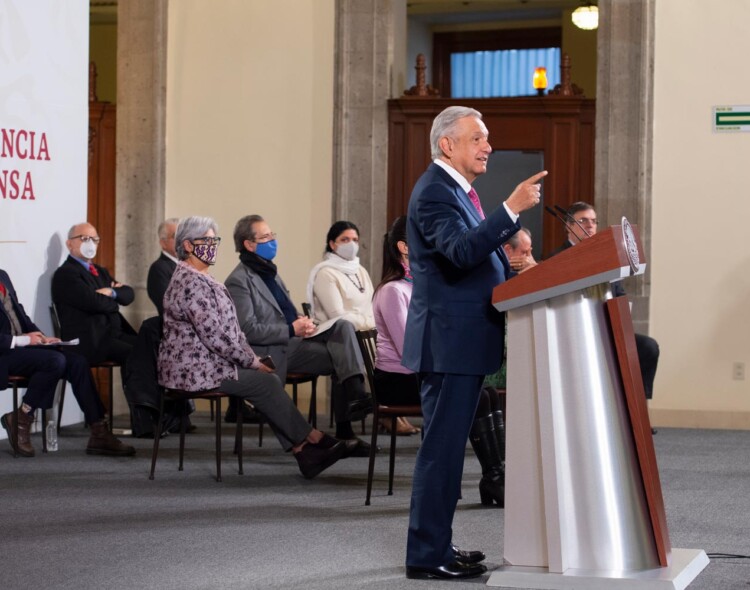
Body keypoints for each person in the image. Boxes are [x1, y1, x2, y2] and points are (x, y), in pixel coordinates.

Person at [402, 105, 546, 580]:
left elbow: (477, 258)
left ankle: (437, 545)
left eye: (487, 138)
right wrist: (511, 209)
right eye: (478, 138)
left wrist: (515, 276)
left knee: (445, 451)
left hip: (460, 339)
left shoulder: (456, 190)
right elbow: (462, 253)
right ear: (448, 144)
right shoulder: (434, 193)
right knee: (441, 452)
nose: (488, 146)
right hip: (448, 342)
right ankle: (427, 556)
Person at [157, 216, 346, 479]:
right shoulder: (191, 283)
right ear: (188, 246)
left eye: (215, 241)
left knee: (265, 378)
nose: (212, 246)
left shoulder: (201, 278)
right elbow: (217, 338)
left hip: (210, 362)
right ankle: (310, 440)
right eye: (207, 241)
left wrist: (250, 358)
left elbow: (228, 332)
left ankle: (306, 448)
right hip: (195, 369)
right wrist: (252, 361)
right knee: (264, 381)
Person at [225, 214, 372, 456]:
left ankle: (354, 405)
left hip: (292, 343)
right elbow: (248, 330)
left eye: (272, 235)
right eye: (265, 237)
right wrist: (292, 329)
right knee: (342, 352)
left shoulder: (269, 271)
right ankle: (341, 427)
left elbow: (285, 312)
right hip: (268, 350)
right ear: (249, 244)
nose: (272, 240)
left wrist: (303, 323)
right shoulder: (239, 281)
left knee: (344, 329)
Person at [0, 269, 135, 457]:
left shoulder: (3, 275)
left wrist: (42, 337)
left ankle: (99, 431)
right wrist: (23, 340)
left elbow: (19, 313)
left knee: (77, 362)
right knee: (55, 361)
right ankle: (23, 417)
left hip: (22, 347)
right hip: (5, 352)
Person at [546, 201, 660, 401]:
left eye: (593, 221)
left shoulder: (606, 258)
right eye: (583, 221)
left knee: (648, 347)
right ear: (568, 226)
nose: (590, 226)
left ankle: (637, 408)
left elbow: (619, 293)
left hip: (607, 328)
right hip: (573, 330)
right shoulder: (556, 258)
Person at [51, 222, 137, 374]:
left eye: (94, 239)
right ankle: (139, 398)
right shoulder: (66, 274)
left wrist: (110, 292)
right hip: (92, 339)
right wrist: (113, 301)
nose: (90, 243)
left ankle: (156, 397)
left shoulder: (100, 271)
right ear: (69, 244)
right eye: (84, 238)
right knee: (135, 354)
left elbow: (128, 294)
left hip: (113, 334)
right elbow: (95, 302)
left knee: (150, 347)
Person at [371, 216, 420, 436]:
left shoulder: (415, 283)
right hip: (397, 380)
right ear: (404, 247)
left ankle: (496, 466)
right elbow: (407, 347)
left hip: (414, 373)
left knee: (484, 392)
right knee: (471, 392)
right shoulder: (393, 290)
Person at [306, 220, 375, 332]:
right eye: (345, 240)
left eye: (355, 240)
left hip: (367, 333)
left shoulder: (361, 270)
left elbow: (372, 305)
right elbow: (338, 316)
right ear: (332, 244)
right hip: (338, 337)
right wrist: (369, 323)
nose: (351, 244)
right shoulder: (325, 273)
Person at [147, 217, 179, 316]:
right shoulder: (159, 268)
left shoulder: (189, 266)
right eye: (176, 236)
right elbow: (169, 304)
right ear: (163, 243)